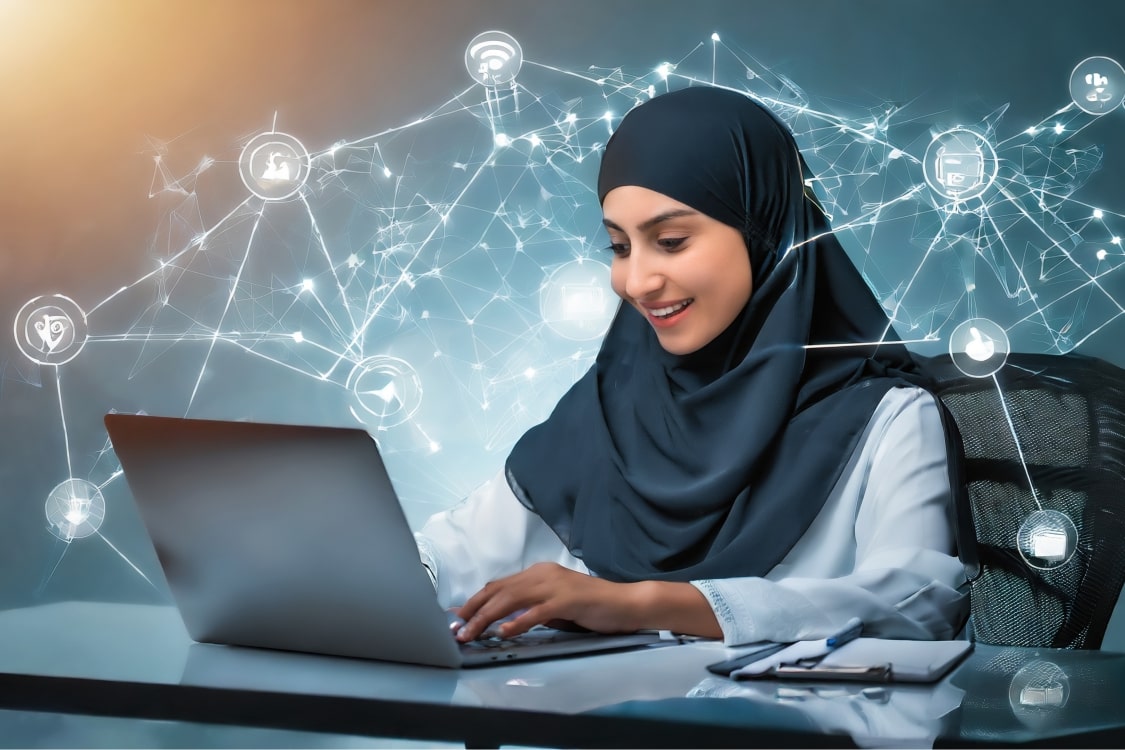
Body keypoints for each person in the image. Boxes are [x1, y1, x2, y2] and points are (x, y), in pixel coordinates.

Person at [415, 86, 969, 647]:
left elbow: (918, 600)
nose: (636, 283)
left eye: (671, 240)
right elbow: (452, 553)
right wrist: (359, 572)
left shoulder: (888, 418)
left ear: (765, 232)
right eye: (620, 247)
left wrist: (645, 602)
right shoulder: (611, 406)